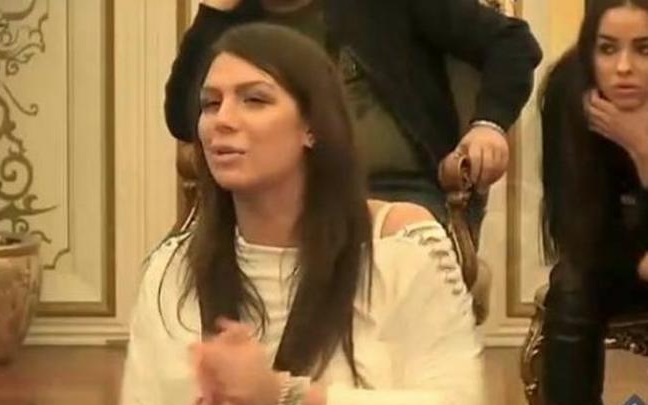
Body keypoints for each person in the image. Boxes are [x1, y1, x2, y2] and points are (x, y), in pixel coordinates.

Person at [119, 23, 485, 405]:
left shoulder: (400, 246)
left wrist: (283, 397)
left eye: (254, 100)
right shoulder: (172, 270)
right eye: (210, 104)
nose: (222, 120)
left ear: (312, 127)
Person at [165, 0, 542, 242]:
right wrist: (213, 13)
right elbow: (183, 118)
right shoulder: (231, 23)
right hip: (273, 198)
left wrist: (488, 124)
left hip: (397, 190)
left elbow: (512, 43)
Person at [539, 1, 648, 405]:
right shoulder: (568, 91)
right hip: (609, 258)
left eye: (644, 49)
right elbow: (575, 229)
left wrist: (642, 148)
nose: (624, 67)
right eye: (607, 49)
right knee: (571, 286)